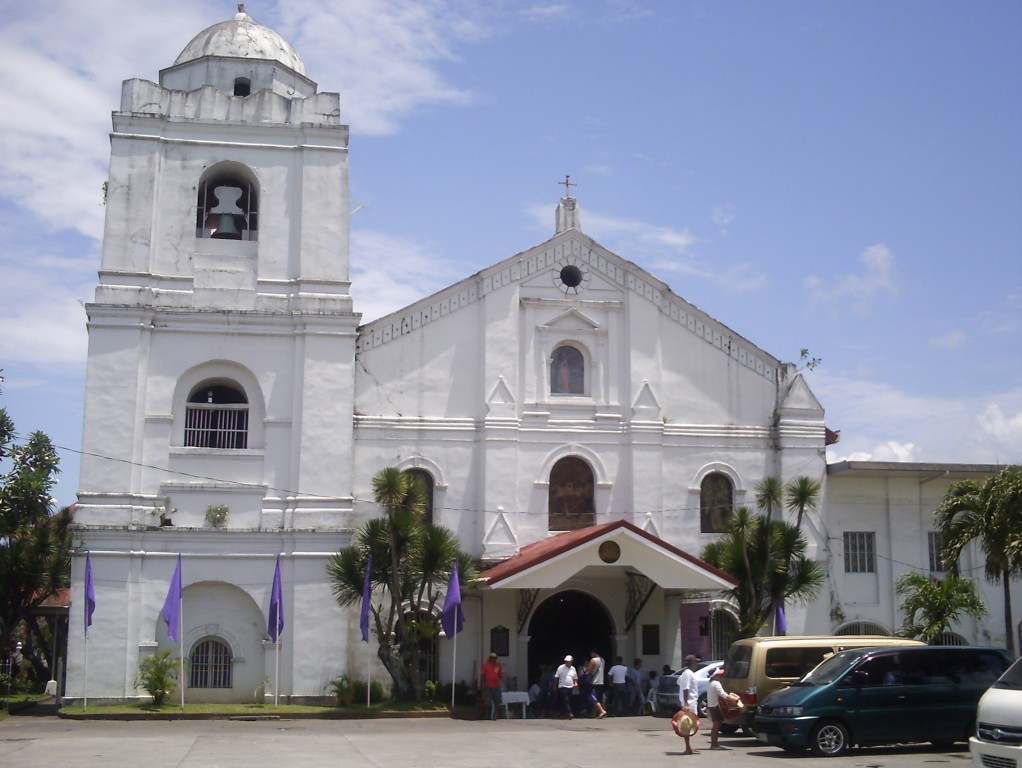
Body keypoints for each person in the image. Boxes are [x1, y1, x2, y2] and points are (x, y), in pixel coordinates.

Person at [677, 654, 701, 755]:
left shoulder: (686, 673)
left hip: (691, 702)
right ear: (693, 663)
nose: (697, 664)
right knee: (688, 726)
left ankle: (689, 747)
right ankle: (687, 748)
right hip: (689, 703)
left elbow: (679, 682)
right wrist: (686, 702)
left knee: (691, 725)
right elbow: (685, 688)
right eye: (696, 662)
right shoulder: (688, 673)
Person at [705, 666, 730, 750]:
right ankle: (714, 745)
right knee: (716, 727)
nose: (720, 676)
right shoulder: (716, 683)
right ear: (715, 676)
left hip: (711, 707)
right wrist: (733, 699)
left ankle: (714, 744)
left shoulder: (710, 683)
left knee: (715, 727)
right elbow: (722, 694)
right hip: (716, 707)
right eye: (719, 674)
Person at [554, 654, 578, 719]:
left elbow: (575, 678)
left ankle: (564, 713)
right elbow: (556, 677)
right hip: (562, 686)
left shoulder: (573, 668)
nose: (567, 662)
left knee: (569, 700)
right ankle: (569, 713)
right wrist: (555, 686)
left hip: (570, 686)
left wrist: (575, 683)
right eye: (566, 661)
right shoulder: (561, 667)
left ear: (571, 661)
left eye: (569, 661)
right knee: (565, 699)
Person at [481, 652, 503, 720]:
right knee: (487, 702)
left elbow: (500, 675)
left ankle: (496, 715)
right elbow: (483, 675)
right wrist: (483, 684)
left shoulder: (498, 666)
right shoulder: (486, 665)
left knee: (497, 701)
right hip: (488, 686)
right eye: (492, 658)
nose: (494, 659)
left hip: (496, 687)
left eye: (495, 658)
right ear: (490, 658)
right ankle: (487, 715)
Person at [586, 650, 607, 718]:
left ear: (593, 652)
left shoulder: (593, 660)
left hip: (594, 682)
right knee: (598, 698)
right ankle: (594, 713)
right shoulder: (602, 660)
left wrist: (587, 665)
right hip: (601, 682)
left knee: (592, 697)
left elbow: (589, 670)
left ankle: (602, 711)